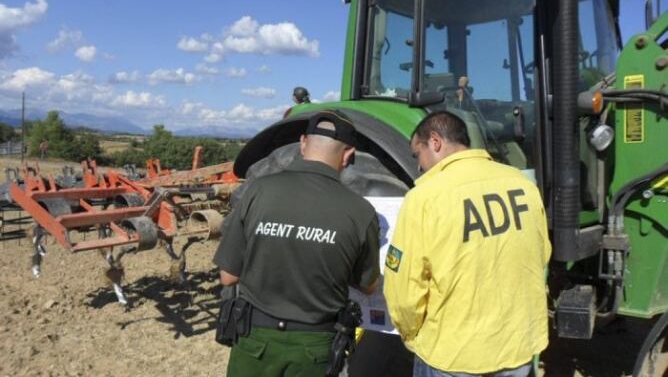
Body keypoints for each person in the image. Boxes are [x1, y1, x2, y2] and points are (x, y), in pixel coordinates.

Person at [213, 109, 380, 377]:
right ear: (348, 154)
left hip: (254, 342)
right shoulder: (360, 211)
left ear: (303, 143)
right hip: (314, 349)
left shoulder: (258, 191)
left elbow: (228, 276)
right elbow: (368, 286)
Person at [383, 111, 551, 377]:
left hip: (452, 357)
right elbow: (539, 255)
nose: (419, 166)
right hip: (516, 349)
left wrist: (413, 336)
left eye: (418, 155)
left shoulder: (424, 198)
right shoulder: (522, 184)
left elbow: (404, 291)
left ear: (435, 142)